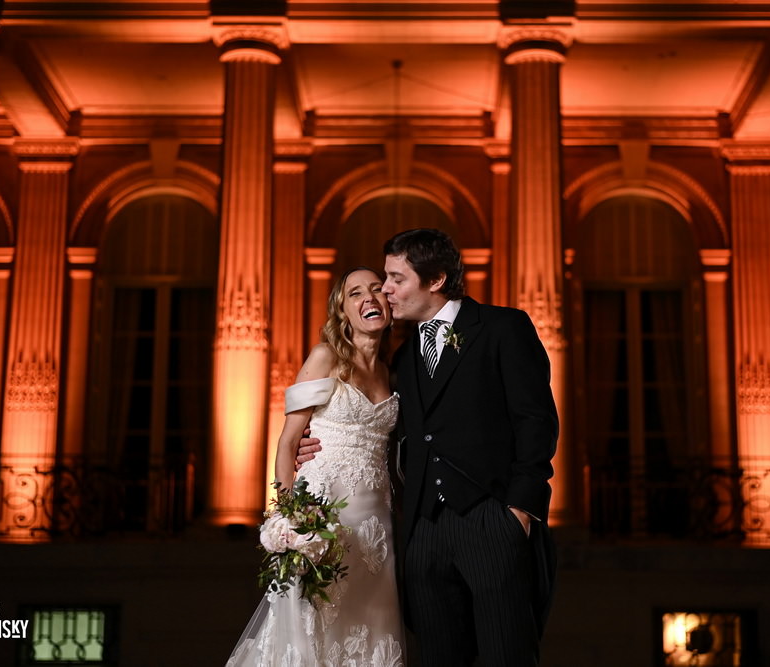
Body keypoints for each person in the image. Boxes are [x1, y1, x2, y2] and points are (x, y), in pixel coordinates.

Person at [299, 228, 558, 665]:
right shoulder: (400, 356)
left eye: (396, 279)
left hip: (491, 519)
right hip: (423, 533)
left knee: (505, 655)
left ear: (435, 280)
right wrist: (315, 447)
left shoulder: (502, 327)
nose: (386, 291)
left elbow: (536, 421)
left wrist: (518, 512)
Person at [227, 267, 404, 667]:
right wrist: (288, 524)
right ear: (342, 310)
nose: (369, 298)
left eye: (377, 289)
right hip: (325, 521)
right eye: (356, 293)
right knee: (313, 631)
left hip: (377, 528)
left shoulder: (395, 370)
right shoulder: (325, 357)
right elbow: (289, 442)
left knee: (370, 631)